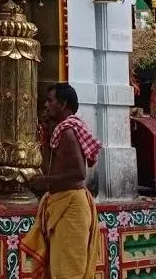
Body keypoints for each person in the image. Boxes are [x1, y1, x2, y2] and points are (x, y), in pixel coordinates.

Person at [21, 83, 101, 279]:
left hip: (71, 205)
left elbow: (79, 173)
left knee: (67, 271)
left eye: (50, 100)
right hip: (62, 203)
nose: (46, 105)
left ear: (64, 104)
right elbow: (49, 164)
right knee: (57, 268)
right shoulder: (59, 131)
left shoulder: (68, 131)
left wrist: (44, 181)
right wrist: (46, 129)